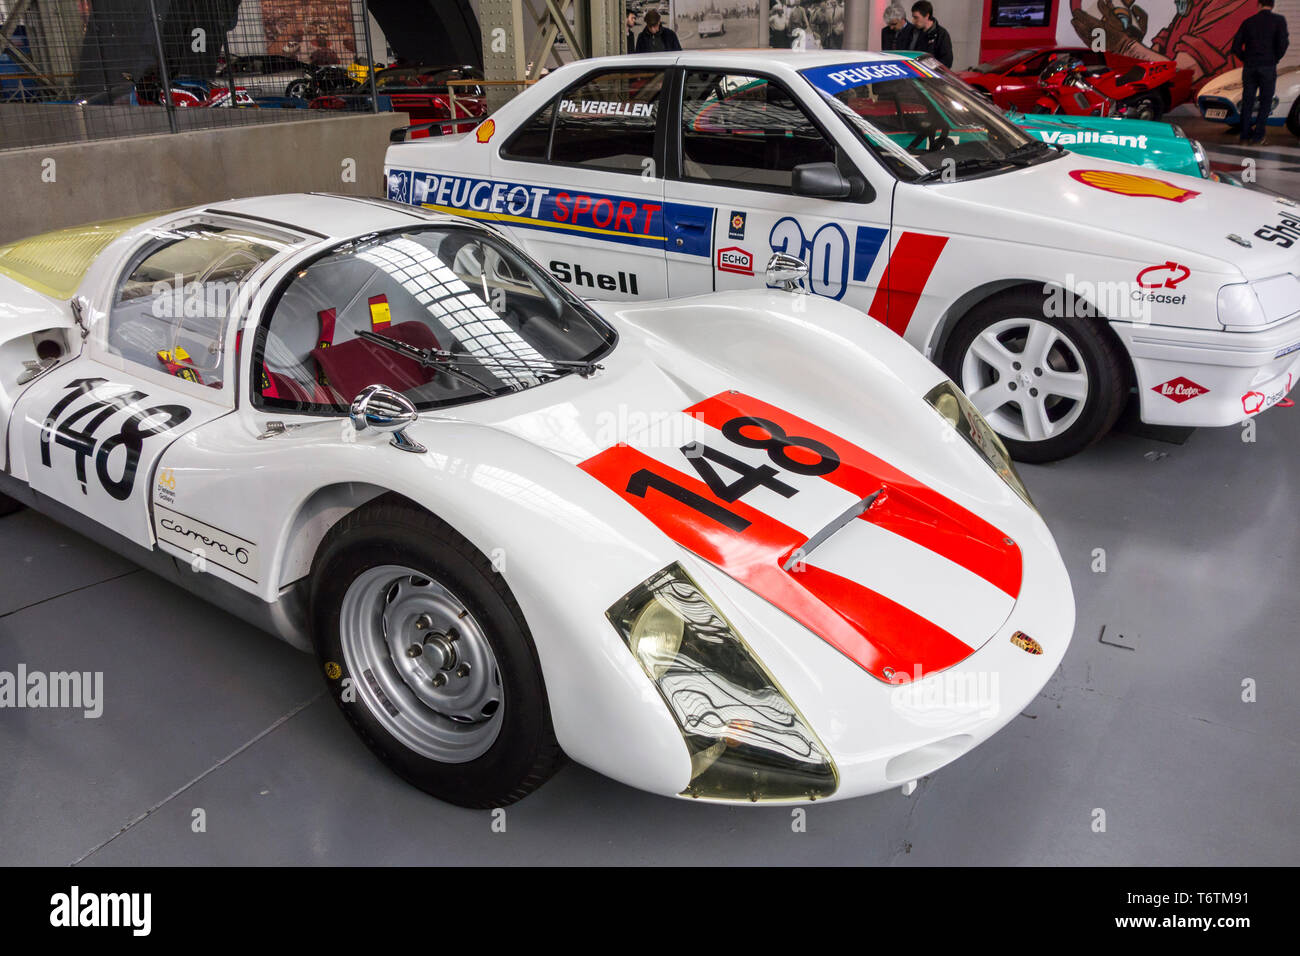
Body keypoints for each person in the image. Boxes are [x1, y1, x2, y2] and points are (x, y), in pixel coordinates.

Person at [1232, 0, 1290, 144]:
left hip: (1250, 67)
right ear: (1273, 5)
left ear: (1258, 5)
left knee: (1248, 101)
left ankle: (1244, 135)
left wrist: (1246, 58)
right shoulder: (1279, 20)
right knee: (1265, 102)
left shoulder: (1248, 22)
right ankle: (1258, 136)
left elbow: (1235, 46)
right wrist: (1275, 58)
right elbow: (1283, 44)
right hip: (1268, 67)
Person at [898, 1, 954, 67]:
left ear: (927, 15)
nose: (913, 21)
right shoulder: (911, 32)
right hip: (911, 73)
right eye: (913, 17)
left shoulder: (941, 34)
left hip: (929, 76)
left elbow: (946, 62)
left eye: (916, 17)